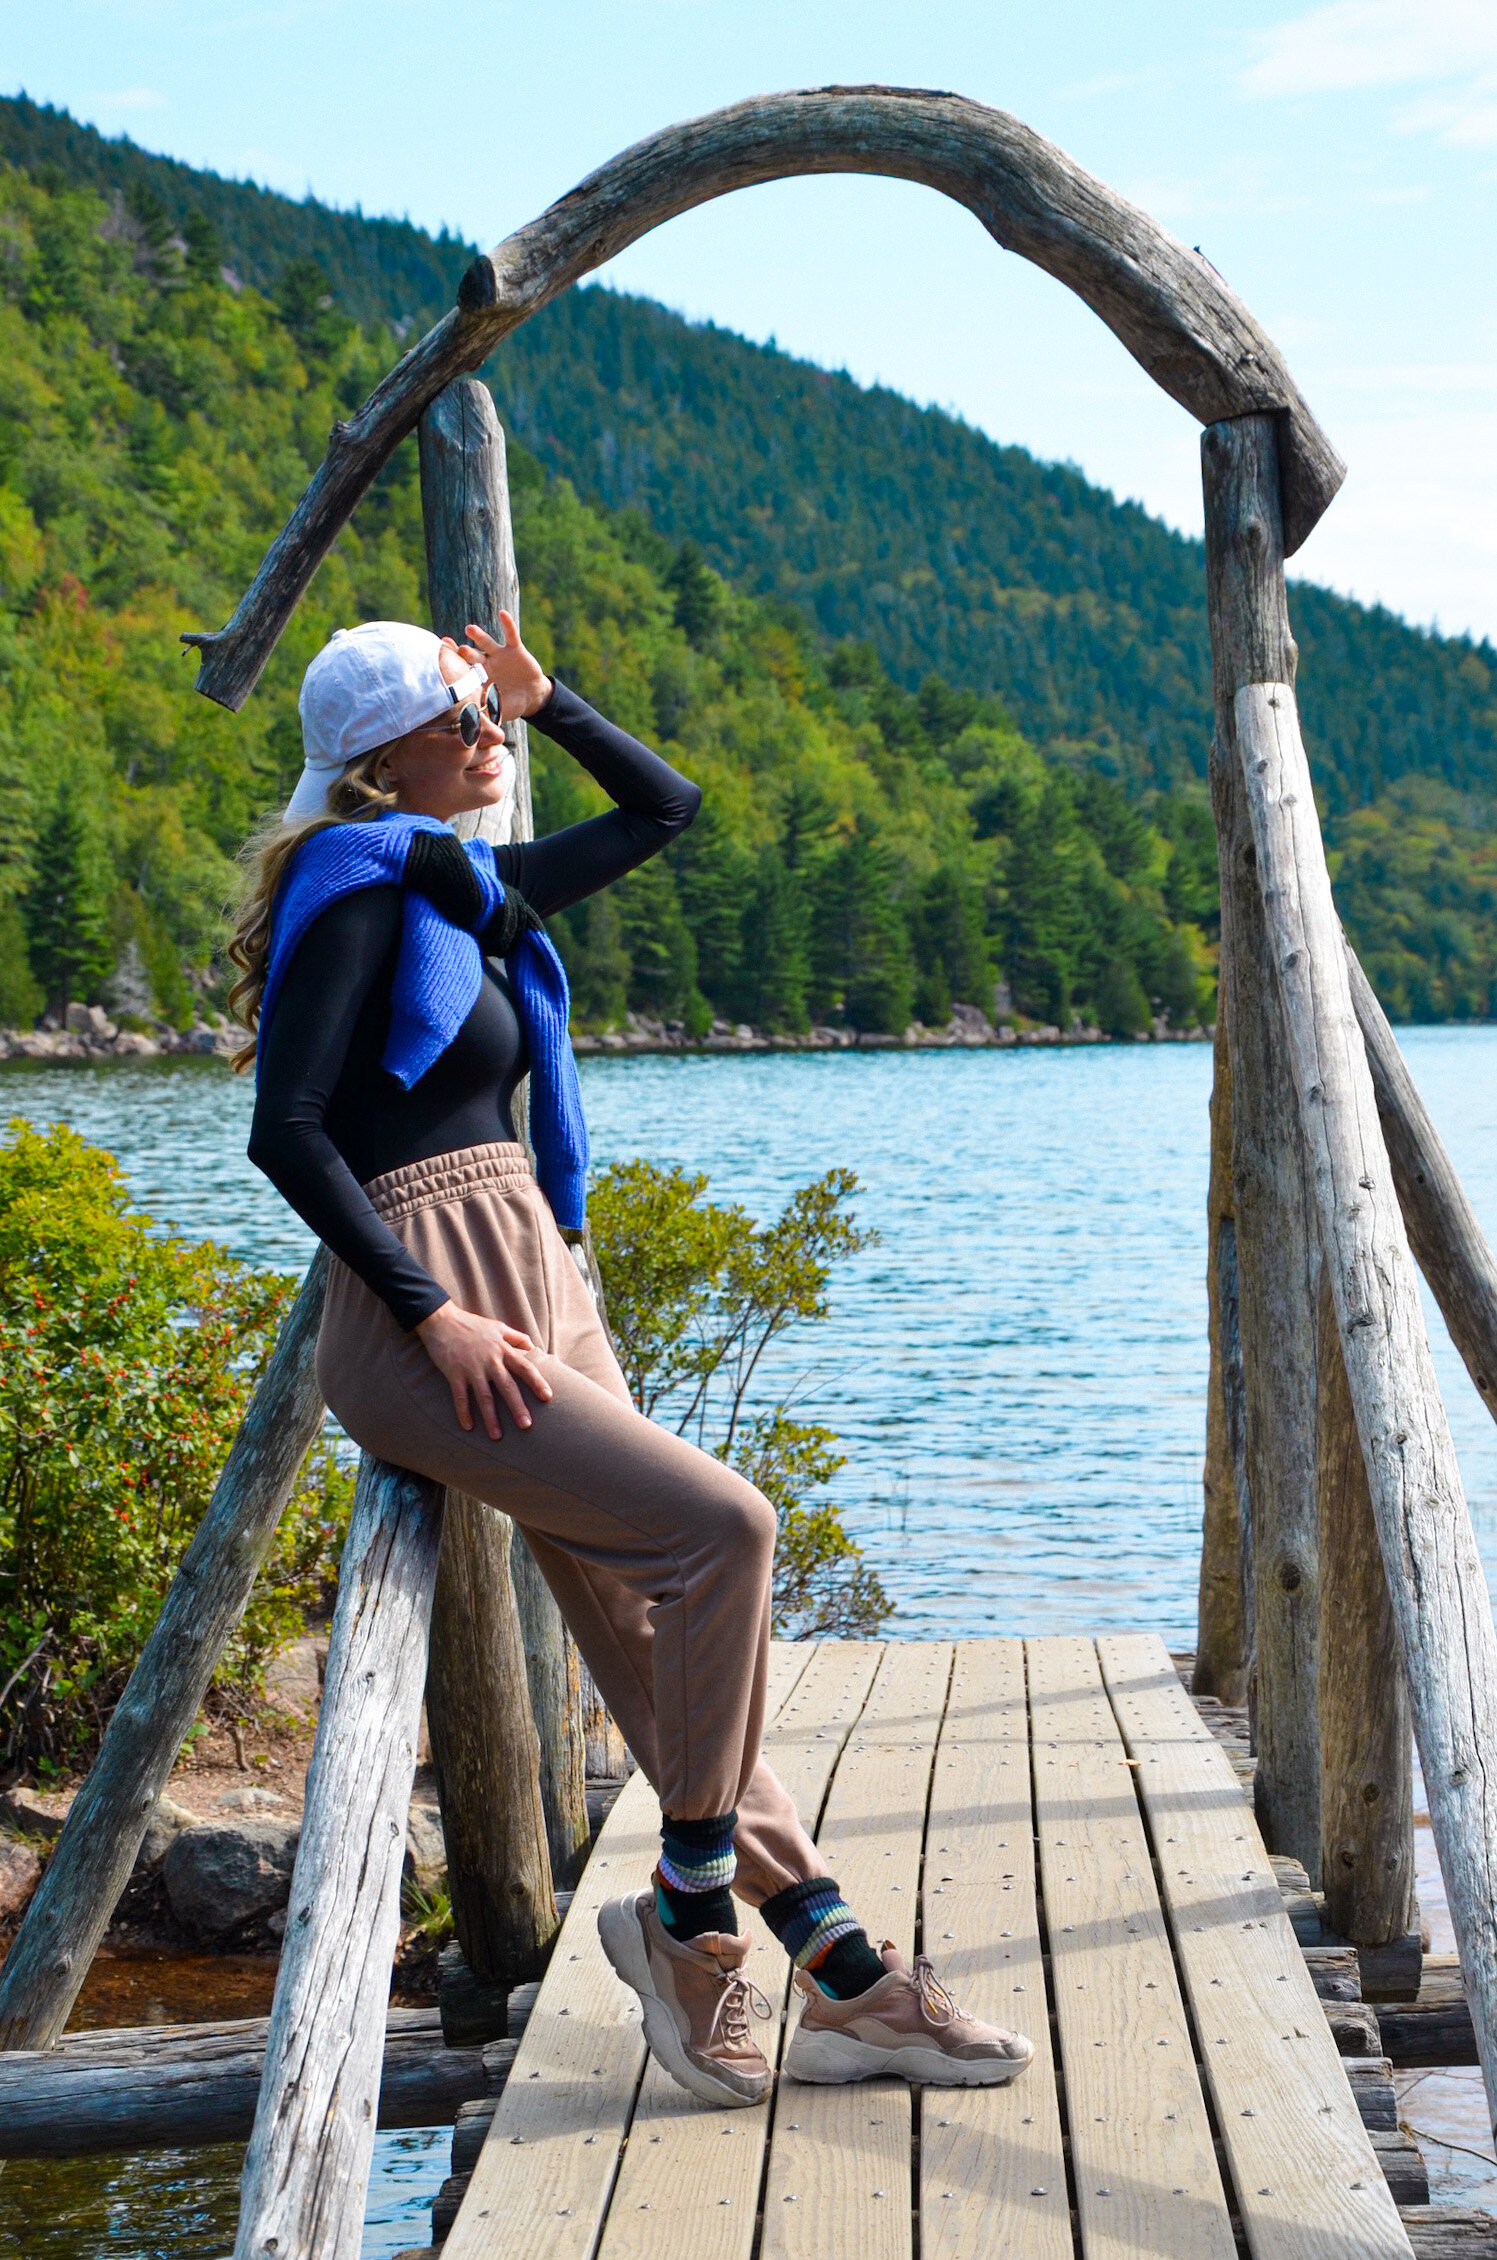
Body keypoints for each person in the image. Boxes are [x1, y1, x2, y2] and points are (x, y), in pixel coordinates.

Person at [232, 612, 1033, 2107]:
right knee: (728, 1527)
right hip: (437, 1304)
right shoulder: (350, 893)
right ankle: (683, 1915)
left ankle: (844, 1975)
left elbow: (667, 808)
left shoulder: (468, 891)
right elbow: (289, 1132)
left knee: (664, 1643)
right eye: (464, 716)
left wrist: (556, 700)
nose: (492, 738)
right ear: (375, 757)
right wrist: (431, 1311)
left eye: (490, 713)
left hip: (534, 1258)